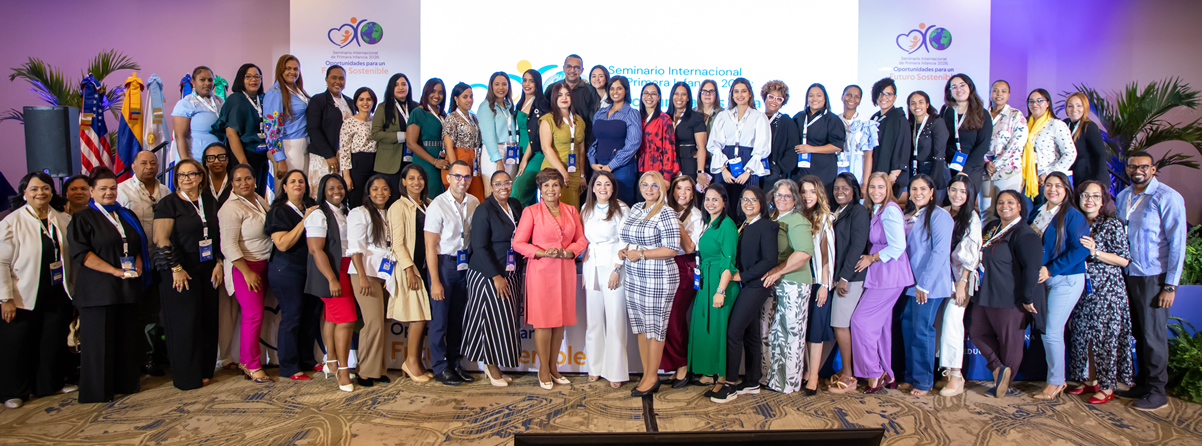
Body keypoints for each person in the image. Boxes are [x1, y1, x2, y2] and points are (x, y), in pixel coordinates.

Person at [1115, 151, 1187, 411]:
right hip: (1129, 274)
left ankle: (1158, 391)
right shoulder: (1123, 196)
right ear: (1127, 169)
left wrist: (1170, 285)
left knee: (1153, 335)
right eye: (1133, 166)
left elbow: (1178, 243)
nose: (1138, 170)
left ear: (1153, 169)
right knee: (1138, 333)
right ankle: (1144, 384)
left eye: (1144, 166)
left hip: (1154, 278)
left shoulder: (1167, 197)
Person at [833, 173, 913, 395]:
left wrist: (873, 258)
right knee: (881, 327)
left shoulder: (890, 210)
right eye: (872, 187)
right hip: (879, 275)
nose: (876, 191)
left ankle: (874, 373)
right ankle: (886, 372)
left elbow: (898, 246)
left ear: (888, 189)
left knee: (860, 321)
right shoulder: (877, 210)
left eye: (880, 187)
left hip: (890, 275)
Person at [1, 173, 77, 408]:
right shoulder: (12, 222)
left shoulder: (63, 219)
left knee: (52, 341)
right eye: (34, 189)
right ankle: (14, 392)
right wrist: (5, 298)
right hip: (22, 295)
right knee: (18, 344)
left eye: (45, 188)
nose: (40, 193)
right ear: (24, 193)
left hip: (57, 292)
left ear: (52, 192)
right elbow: (1, 262)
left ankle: (48, 385)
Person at [513, 169, 587, 389]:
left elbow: (582, 240)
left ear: (561, 188)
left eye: (554, 184)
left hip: (565, 269)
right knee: (544, 323)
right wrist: (542, 252)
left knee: (559, 321)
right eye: (546, 185)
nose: (550, 189)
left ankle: (554, 368)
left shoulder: (571, 210)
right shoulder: (531, 211)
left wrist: (568, 252)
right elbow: (518, 243)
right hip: (541, 270)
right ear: (540, 189)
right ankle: (543, 369)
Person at [153, 159, 224, 391]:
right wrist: (175, 267)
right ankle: (187, 376)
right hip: (180, 270)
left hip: (208, 268)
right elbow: (161, 239)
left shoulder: (209, 201)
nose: (186, 179)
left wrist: (219, 261)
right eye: (181, 175)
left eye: (191, 174)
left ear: (201, 176)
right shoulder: (168, 203)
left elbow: (218, 234)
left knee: (207, 319)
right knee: (186, 323)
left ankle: (205, 370)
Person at [971, 189, 1043, 398]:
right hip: (985, 293)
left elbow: (1031, 269)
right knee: (976, 332)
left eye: (1010, 202)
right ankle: (998, 369)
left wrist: (1027, 298)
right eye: (1001, 202)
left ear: (1020, 205)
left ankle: (1003, 384)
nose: (1005, 206)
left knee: (1010, 342)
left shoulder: (1025, 234)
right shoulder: (992, 227)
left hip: (1010, 297)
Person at [1067, 180, 1132, 405]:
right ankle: (1090, 380)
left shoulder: (1112, 224)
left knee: (1105, 338)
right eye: (1085, 195)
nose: (1090, 200)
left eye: (1095, 196)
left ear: (1103, 200)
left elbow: (1124, 260)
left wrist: (1096, 252)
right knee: (1083, 335)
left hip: (1108, 290)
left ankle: (1107, 387)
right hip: (1081, 288)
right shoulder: (1076, 222)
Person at [618, 171, 683, 397]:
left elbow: (672, 249)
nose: (649, 189)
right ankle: (647, 373)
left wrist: (642, 254)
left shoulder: (667, 212)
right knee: (641, 326)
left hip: (658, 277)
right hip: (634, 275)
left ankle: (652, 377)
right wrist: (626, 250)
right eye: (645, 185)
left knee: (655, 328)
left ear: (662, 189)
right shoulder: (636, 208)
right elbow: (631, 238)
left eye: (654, 185)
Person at [710, 186, 777, 403]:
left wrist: (742, 276)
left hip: (755, 285)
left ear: (762, 203)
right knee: (751, 333)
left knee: (733, 332)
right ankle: (752, 380)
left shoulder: (767, 226)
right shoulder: (742, 226)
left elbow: (769, 260)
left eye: (753, 200)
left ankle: (730, 385)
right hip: (745, 285)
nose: (748, 203)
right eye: (744, 199)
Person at [1030, 171, 1089, 400]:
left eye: (1058, 185)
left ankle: (1056, 382)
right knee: (1046, 330)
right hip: (1042, 280)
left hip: (1066, 279)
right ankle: (1054, 379)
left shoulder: (1073, 216)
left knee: (1052, 331)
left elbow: (1081, 250)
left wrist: (1051, 269)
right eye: (1048, 185)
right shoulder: (1038, 211)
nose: (1052, 189)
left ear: (1066, 189)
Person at [463, 171, 525, 387]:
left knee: (504, 323)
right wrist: (495, 276)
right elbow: (479, 247)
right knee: (489, 322)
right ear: (491, 187)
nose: (503, 187)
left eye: (507, 183)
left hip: (510, 272)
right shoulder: (484, 209)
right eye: (498, 184)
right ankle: (490, 367)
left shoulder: (515, 205)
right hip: (488, 275)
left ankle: (496, 365)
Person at [424, 161, 480, 385]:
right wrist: (435, 280)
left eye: (466, 177)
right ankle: (440, 367)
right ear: (448, 178)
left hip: (464, 265)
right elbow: (430, 246)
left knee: (458, 319)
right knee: (440, 320)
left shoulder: (474, 202)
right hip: (443, 264)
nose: (462, 181)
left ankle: (455, 363)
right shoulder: (437, 205)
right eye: (457, 176)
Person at [217, 164, 273, 383]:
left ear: (255, 180)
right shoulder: (230, 208)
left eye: (248, 178)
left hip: (264, 264)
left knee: (254, 315)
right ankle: (251, 364)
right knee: (254, 315)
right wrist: (247, 272)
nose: (244, 183)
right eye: (238, 180)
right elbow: (228, 245)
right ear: (232, 183)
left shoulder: (258, 200)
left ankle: (245, 360)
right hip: (245, 267)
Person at [116, 151, 170, 375]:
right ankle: (131, 360)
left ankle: (150, 358)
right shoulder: (122, 190)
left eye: (153, 163)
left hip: (160, 261)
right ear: (133, 166)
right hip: (133, 263)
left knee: (154, 312)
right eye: (144, 163)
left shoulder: (165, 191)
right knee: (132, 312)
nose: (149, 166)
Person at [264, 170, 322, 381]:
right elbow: (282, 244)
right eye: (293, 181)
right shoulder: (278, 211)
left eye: (301, 181)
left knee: (310, 316)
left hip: (311, 270)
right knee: (292, 316)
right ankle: (289, 366)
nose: (298, 184)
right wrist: (305, 220)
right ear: (285, 187)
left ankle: (306, 359)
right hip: (286, 270)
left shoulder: (312, 207)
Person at [899, 174, 953, 397]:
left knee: (922, 330)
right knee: (908, 329)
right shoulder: (910, 215)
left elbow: (940, 253)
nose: (918, 193)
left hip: (929, 286)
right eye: (914, 189)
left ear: (932, 192)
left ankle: (923, 381)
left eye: (923, 189)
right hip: (911, 284)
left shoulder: (940, 216)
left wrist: (925, 285)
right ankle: (911, 376)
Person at [759, 179, 814, 395]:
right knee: (774, 333)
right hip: (777, 282)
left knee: (790, 334)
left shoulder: (798, 221)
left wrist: (779, 271)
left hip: (795, 283)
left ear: (795, 199)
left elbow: (803, 254)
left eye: (787, 195)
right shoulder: (774, 218)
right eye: (778, 194)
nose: (782, 199)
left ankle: (787, 383)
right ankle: (772, 378)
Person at [305, 174, 357, 392]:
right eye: (331, 188)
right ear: (323, 192)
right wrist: (332, 279)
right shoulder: (318, 214)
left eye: (340, 187)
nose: (337, 191)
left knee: (333, 317)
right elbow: (315, 250)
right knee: (346, 320)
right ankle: (343, 371)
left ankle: (331, 362)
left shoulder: (346, 211)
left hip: (347, 267)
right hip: (332, 272)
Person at [581, 171, 630, 388]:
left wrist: (617, 268)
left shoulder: (622, 209)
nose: (603, 188)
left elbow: (625, 241)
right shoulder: (586, 208)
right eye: (599, 184)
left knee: (615, 319)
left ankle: (615, 371)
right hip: (592, 265)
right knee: (593, 320)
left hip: (613, 266)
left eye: (607, 184)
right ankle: (594, 367)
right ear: (592, 188)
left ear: (613, 187)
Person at [386, 164, 435, 382]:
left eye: (420, 178)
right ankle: (410, 362)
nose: (417, 182)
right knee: (418, 317)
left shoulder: (428, 204)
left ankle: (417, 362)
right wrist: (408, 269)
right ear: (404, 182)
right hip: (411, 267)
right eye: (412, 178)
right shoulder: (398, 207)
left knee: (424, 316)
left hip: (427, 266)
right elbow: (397, 244)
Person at [346, 175, 394, 387]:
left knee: (381, 323)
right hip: (365, 273)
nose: (380, 193)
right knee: (372, 322)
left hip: (384, 275)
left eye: (384, 189)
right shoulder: (360, 213)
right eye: (375, 189)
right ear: (368, 192)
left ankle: (378, 370)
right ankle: (364, 371)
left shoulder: (388, 213)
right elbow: (355, 248)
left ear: (390, 192)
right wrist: (362, 277)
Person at [937, 174, 980, 396]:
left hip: (960, 278)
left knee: (952, 321)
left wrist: (962, 282)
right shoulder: (941, 212)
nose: (957, 195)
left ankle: (956, 374)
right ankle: (942, 371)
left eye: (963, 191)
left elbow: (971, 254)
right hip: (939, 277)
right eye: (954, 189)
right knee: (937, 323)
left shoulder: (972, 217)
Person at [706, 78, 771, 222]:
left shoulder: (759, 117)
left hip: (748, 163)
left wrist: (748, 171)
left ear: (750, 94)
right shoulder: (723, 116)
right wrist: (723, 170)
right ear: (732, 94)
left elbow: (762, 147)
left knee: (748, 206)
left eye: (743, 91)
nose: (740, 95)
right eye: (736, 91)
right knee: (724, 205)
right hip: (726, 163)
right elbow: (714, 145)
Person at [661, 175, 703, 387]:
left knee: (675, 317)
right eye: (679, 188)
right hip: (663, 265)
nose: (683, 193)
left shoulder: (695, 215)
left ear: (693, 193)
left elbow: (689, 248)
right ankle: (675, 364)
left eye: (688, 189)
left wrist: (677, 224)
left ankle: (683, 366)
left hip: (684, 267)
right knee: (665, 318)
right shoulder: (664, 209)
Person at [828, 172, 869, 393]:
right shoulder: (838, 212)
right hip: (839, 277)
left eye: (844, 188)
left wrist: (844, 277)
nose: (840, 191)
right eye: (836, 188)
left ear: (854, 190)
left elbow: (857, 245)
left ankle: (849, 375)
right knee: (839, 323)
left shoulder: (858, 211)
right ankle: (846, 371)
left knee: (840, 324)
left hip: (851, 278)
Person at [202, 143, 236, 369]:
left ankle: (226, 355)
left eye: (221, 156)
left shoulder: (235, 183)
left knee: (227, 307)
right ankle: (207, 354)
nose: (216, 161)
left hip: (230, 251)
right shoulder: (198, 184)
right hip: (203, 254)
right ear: (204, 161)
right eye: (211, 157)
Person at [213, 63, 271, 192]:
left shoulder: (263, 98)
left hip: (262, 155)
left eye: (257, 76)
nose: (253, 80)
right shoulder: (235, 99)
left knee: (260, 194)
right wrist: (243, 162)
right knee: (246, 193)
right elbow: (231, 133)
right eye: (248, 77)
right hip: (245, 154)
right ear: (241, 79)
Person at [589, 76, 641, 205]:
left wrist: (611, 166)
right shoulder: (600, 113)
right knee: (601, 204)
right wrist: (592, 163)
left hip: (622, 169)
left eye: (619, 88)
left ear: (626, 90)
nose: (615, 92)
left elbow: (633, 144)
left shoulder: (631, 113)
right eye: (612, 88)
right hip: (599, 166)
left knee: (622, 205)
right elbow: (594, 140)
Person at [307, 65, 356, 197]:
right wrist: (329, 155)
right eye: (334, 78)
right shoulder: (318, 100)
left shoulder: (350, 102)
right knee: (322, 194)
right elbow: (313, 129)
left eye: (341, 78)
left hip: (344, 158)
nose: (337, 81)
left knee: (340, 194)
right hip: (323, 157)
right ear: (326, 79)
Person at [941, 74, 993, 194]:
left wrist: (965, 170)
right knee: (948, 201)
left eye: (962, 85)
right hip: (949, 165)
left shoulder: (982, 114)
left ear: (970, 87)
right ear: (950, 91)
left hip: (972, 166)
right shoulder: (946, 110)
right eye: (954, 87)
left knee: (965, 200)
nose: (958, 89)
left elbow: (983, 146)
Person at [983, 80, 1028, 212]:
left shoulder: (1016, 115)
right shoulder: (982, 115)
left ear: (1008, 95)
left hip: (1008, 171)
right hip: (985, 171)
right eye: (995, 90)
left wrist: (996, 164)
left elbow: (1017, 145)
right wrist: (986, 162)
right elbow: (976, 142)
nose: (999, 94)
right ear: (990, 93)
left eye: (1003, 91)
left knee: (1007, 210)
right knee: (985, 210)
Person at [540, 82, 587, 207]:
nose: (564, 98)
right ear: (554, 98)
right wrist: (562, 171)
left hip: (573, 172)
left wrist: (582, 175)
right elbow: (546, 148)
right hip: (553, 171)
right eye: (560, 95)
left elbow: (581, 150)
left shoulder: (579, 120)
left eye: (567, 94)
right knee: (554, 209)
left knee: (573, 209)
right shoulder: (548, 119)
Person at [371, 73, 418, 199]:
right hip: (390, 163)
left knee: (411, 198)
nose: (401, 87)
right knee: (392, 199)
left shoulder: (416, 107)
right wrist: (403, 136)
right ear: (391, 88)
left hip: (413, 160)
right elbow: (375, 133)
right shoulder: (383, 107)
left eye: (404, 84)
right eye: (396, 85)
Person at [264, 55, 311, 180]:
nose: (292, 72)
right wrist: (280, 158)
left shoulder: (298, 90)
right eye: (288, 68)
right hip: (289, 145)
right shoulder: (275, 93)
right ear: (280, 70)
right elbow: (271, 128)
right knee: (292, 185)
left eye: (295, 69)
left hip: (304, 143)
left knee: (303, 185)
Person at [1023, 89, 1076, 200]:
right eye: (1031, 101)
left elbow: (1070, 154)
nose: (1035, 104)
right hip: (1025, 178)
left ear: (1047, 103)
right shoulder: (1023, 124)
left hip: (1047, 180)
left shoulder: (1056, 124)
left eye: (1039, 100)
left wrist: (1049, 173)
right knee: (1025, 209)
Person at [792, 83, 846, 188]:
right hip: (800, 169)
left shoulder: (832, 119)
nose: (814, 99)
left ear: (825, 98)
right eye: (811, 95)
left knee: (821, 195)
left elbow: (837, 146)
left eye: (819, 95)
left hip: (823, 170)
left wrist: (811, 149)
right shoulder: (799, 117)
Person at [865, 78, 911, 196]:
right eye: (880, 93)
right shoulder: (875, 117)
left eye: (888, 94)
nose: (883, 97)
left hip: (890, 179)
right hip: (875, 175)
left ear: (895, 97)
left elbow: (903, 150)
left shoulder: (900, 119)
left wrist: (891, 178)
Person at [442, 82, 486, 202]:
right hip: (458, 158)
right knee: (459, 199)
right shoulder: (451, 117)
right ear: (456, 99)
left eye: (471, 96)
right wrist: (455, 170)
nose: (469, 100)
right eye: (465, 97)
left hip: (474, 162)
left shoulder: (473, 117)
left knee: (477, 199)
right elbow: (449, 146)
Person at [544, 55, 600, 147]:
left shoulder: (590, 91)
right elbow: (545, 116)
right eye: (569, 66)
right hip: (555, 144)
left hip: (583, 144)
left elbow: (594, 120)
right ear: (564, 68)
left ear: (582, 70)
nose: (572, 70)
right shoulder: (552, 89)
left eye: (576, 67)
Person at [513, 69, 551, 206]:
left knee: (517, 192)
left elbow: (535, 134)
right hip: (521, 153)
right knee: (529, 199)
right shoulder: (520, 103)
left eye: (531, 81)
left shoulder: (541, 104)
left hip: (535, 155)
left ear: (537, 84)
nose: (527, 84)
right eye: (525, 80)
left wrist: (525, 159)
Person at [408, 79, 450, 200]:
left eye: (440, 92)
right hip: (426, 162)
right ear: (426, 92)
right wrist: (434, 162)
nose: (437, 95)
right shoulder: (418, 112)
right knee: (429, 196)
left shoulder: (443, 114)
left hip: (442, 162)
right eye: (433, 91)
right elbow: (411, 143)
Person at [477, 71, 517, 196]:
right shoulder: (486, 106)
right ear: (491, 86)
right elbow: (488, 137)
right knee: (494, 191)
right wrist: (498, 160)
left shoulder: (509, 106)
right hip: (494, 153)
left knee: (509, 191)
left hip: (511, 151)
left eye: (504, 84)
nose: (501, 87)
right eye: (497, 84)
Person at [172, 66, 224, 161]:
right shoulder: (186, 103)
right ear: (193, 81)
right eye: (202, 80)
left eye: (210, 80)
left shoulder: (220, 102)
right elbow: (180, 136)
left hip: (217, 161)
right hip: (195, 161)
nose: (207, 83)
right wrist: (186, 162)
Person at [906, 91, 950, 203]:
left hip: (935, 170)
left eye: (921, 102)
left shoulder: (936, 122)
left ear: (927, 105)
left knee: (933, 206)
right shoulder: (910, 124)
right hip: (916, 169)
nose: (917, 106)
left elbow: (939, 152)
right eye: (913, 103)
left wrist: (933, 180)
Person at [339, 87, 379, 207]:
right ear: (356, 102)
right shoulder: (349, 122)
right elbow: (344, 150)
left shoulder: (377, 121)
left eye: (368, 99)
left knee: (374, 200)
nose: (365, 102)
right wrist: (346, 176)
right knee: (357, 201)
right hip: (357, 165)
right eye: (361, 99)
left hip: (375, 163)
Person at [667, 82, 709, 188]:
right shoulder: (665, 117)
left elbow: (701, 147)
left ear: (688, 98)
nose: (679, 97)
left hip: (689, 164)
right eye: (676, 94)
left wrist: (700, 172)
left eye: (683, 94)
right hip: (669, 166)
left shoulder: (696, 117)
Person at [760, 81, 800, 188]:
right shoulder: (756, 118)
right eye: (771, 97)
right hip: (754, 170)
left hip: (774, 175)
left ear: (783, 102)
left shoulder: (786, 122)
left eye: (779, 99)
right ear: (764, 97)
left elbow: (792, 150)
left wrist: (779, 168)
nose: (774, 101)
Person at [1064, 93, 1109, 188]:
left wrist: (1098, 183)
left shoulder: (1089, 126)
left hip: (1088, 179)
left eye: (1079, 106)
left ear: (1085, 107)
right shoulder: (1064, 124)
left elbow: (1101, 155)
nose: (1074, 109)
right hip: (1071, 179)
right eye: (1070, 106)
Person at [837, 85, 878, 184]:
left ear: (860, 100)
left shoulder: (866, 123)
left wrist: (865, 182)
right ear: (842, 97)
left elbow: (868, 156)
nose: (852, 99)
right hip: (837, 165)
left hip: (858, 168)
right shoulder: (835, 120)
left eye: (857, 96)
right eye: (849, 95)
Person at [638, 83, 678, 180]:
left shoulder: (664, 119)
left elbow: (669, 149)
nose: (649, 97)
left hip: (658, 167)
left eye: (653, 94)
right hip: (639, 166)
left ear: (659, 98)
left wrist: (667, 176)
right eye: (646, 93)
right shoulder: (636, 117)